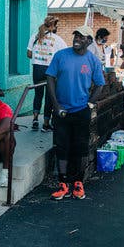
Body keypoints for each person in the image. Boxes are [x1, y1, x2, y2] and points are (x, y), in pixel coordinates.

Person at [46, 25, 105, 200]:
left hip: (81, 110)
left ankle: (79, 183)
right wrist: (55, 105)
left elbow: (100, 84)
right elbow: (50, 77)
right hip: (62, 110)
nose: (77, 38)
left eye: (81, 36)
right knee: (62, 146)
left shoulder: (93, 60)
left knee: (81, 147)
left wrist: (90, 103)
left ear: (89, 41)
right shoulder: (61, 56)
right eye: (76, 35)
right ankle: (62, 183)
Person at [26, 14, 67, 131]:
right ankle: (45, 124)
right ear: (54, 26)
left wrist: (39, 55)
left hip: (37, 68)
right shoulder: (58, 39)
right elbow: (63, 56)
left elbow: (28, 54)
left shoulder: (35, 36)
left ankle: (35, 119)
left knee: (38, 94)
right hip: (51, 69)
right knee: (50, 97)